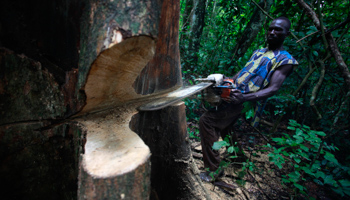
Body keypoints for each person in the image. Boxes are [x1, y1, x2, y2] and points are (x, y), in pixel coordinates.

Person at [199, 17, 299, 182]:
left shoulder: (286, 60)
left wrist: (243, 97)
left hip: (244, 100)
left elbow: (273, 89)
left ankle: (213, 170)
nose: (273, 32)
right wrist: (228, 81)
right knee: (226, 126)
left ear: (287, 33)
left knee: (206, 121)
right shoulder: (259, 51)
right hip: (234, 93)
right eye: (271, 28)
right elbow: (244, 71)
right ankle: (238, 158)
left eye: (278, 29)